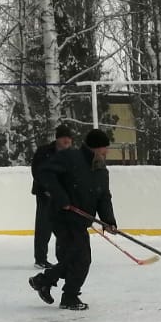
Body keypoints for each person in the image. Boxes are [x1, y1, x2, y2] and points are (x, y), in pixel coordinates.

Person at [29, 128, 116, 311]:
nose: (106, 152)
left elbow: (104, 198)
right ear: (95, 147)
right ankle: (68, 295)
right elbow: (44, 172)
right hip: (62, 217)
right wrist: (61, 197)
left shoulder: (101, 171)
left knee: (75, 258)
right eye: (104, 148)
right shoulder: (71, 157)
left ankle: (44, 281)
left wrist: (109, 221)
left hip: (80, 221)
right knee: (80, 257)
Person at [30, 123, 74, 268]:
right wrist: (47, 188)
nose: (67, 140)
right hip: (45, 195)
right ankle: (40, 259)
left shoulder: (73, 154)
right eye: (63, 137)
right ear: (57, 139)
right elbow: (37, 171)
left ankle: (63, 258)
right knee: (44, 227)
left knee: (63, 228)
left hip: (63, 197)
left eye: (69, 138)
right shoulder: (44, 152)